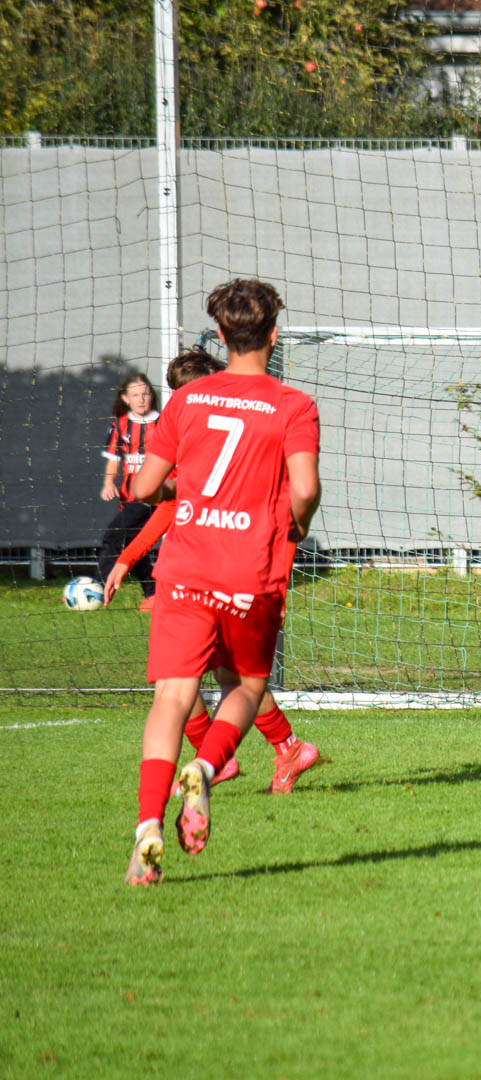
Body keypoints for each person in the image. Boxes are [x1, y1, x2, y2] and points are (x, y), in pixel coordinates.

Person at [124, 279, 321, 887]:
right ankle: (205, 770)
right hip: (249, 571)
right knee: (247, 685)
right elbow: (305, 488)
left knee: (171, 698)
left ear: (219, 335)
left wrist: (183, 491)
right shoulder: (294, 405)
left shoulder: (187, 400)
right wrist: (295, 523)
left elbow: (144, 487)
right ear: (274, 335)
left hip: (184, 568)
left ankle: (146, 832)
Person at [105, 349, 320, 798]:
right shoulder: (205, 426)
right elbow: (172, 505)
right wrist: (127, 558)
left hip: (238, 575)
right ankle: (272, 751)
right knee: (218, 678)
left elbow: (285, 518)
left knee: (217, 679)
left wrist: (277, 590)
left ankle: (228, 760)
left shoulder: (256, 429)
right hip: (203, 570)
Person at [97, 373, 161, 608]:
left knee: (113, 534)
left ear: (151, 396)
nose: (141, 399)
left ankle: (97, 586)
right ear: (125, 398)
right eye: (135, 395)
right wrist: (108, 483)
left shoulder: (163, 423)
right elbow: (114, 459)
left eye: (145, 394)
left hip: (153, 497)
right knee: (136, 546)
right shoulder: (120, 425)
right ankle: (152, 595)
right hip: (129, 497)